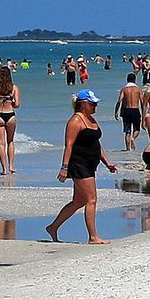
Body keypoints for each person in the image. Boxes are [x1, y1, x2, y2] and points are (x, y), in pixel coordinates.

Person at [48, 91, 117, 243]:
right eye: (93, 104)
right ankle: (93, 237)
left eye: (96, 104)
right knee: (91, 199)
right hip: (79, 164)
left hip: (90, 165)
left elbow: (96, 144)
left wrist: (107, 163)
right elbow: (69, 145)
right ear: (83, 104)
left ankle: (53, 227)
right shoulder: (75, 121)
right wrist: (64, 167)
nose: (95, 106)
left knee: (79, 201)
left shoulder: (90, 119)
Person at [0, 65, 22, 177]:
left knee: (1, 143)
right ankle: (12, 166)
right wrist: (10, 101)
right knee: (10, 141)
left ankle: (4, 169)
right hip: (10, 115)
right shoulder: (14, 87)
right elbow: (17, 104)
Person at [114, 73, 144, 150]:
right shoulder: (138, 90)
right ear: (135, 80)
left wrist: (116, 112)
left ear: (127, 80)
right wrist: (144, 113)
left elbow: (119, 101)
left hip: (126, 111)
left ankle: (127, 149)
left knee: (127, 131)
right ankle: (133, 138)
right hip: (135, 110)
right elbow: (142, 102)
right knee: (137, 129)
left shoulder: (124, 90)